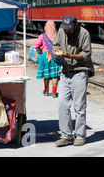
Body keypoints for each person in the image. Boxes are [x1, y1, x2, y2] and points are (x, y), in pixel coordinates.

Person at [52, 15, 94, 147]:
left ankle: (80, 136)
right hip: (65, 72)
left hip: (80, 72)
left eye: (69, 29)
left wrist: (68, 55)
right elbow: (56, 45)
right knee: (63, 104)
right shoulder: (62, 30)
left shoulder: (84, 33)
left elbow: (86, 54)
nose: (66, 31)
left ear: (75, 26)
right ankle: (66, 136)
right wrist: (55, 51)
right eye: (64, 28)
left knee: (79, 107)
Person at [34, 20, 62, 98]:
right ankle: (54, 92)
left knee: (46, 75)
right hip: (55, 56)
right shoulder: (58, 36)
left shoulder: (43, 36)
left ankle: (46, 91)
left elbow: (36, 46)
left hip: (45, 57)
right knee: (55, 75)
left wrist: (42, 47)